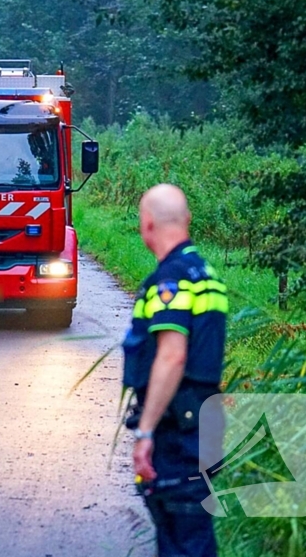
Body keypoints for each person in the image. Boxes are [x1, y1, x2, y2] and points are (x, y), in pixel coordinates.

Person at [122, 184, 227, 557]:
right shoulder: (205, 273)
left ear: (147, 224)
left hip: (179, 436)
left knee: (184, 543)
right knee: (190, 540)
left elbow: (172, 355)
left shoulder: (171, 280)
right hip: (203, 428)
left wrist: (146, 431)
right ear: (187, 220)